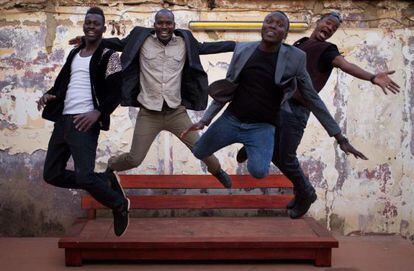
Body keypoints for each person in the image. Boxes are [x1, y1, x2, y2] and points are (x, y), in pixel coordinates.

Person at [182, 11, 367, 219]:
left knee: (277, 162)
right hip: (243, 116)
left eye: (280, 25)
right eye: (269, 22)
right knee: (200, 151)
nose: (273, 26)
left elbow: (320, 92)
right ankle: (253, 145)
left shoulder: (314, 53)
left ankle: (303, 190)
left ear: (285, 33)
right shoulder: (256, 49)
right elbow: (227, 88)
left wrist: (339, 136)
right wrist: (205, 120)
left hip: (278, 117)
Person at [235, 11, 399, 218]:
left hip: (296, 110)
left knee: (284, 158)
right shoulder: (301, 43)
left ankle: (306, 193)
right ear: (318, 22)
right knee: (268, 140)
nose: (330, 28)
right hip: (277, 104)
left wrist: (372, 77)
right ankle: (257, 145)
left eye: (334, 28)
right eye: (328, 23)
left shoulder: (327, 50)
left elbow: (345, 64)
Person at [76, 9, 237, 188]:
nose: (164, 27)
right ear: (155, 25)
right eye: (160, 23)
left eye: (168, 23)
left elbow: (209, 47)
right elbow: (119, 44)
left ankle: (217, 171)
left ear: (174, 26)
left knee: (200, 148)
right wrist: (87, 41)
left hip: (176, 113)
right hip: (149, 113)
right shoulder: (141, 40)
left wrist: (238, 46)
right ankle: (111, 166)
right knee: (134, 159)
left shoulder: (185, 42)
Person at [37, 7, 130, 237]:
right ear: (83, 25)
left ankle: (119, 204)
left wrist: (97, 113)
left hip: (84, 122)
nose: (91, 26)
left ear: (103, 28)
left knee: (83, 176)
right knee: (51, 174)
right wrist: (50, 94)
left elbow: (117, 91)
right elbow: (63, 83)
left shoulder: (109, 56)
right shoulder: (74, 53)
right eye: (88, 22)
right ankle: (105, 179)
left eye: (96, 23)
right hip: (63, 121)